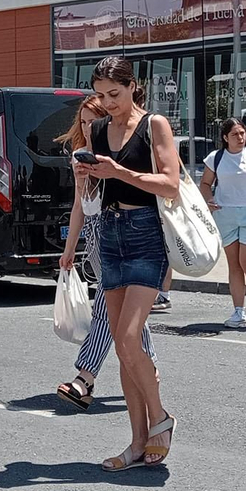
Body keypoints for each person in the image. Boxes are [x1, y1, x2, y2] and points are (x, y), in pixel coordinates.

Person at [76, 55, 179, 472]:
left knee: (129, 337)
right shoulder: (99, 129)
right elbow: (96, 191)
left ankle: (160, 418)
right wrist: (85, 176)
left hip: (145, 232)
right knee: (122, 348)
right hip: (110, 232)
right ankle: (138, 442)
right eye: (101, 95)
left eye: (114, 94)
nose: (107, 103)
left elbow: (170, 184)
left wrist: (118, 171)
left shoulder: (155, 124)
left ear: (133, 86)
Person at [56, 96, 157, 409]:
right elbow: (79, 207)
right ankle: (149, 368)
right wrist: (69, 249)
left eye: (93, 121)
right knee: (125, 311)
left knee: (105, 308)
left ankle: (85, 377)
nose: (88, 128)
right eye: (83, 122)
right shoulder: (79, 157)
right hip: (95, 241)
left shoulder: (115, 154)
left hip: (122, 234)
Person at [199, 118, 246, 328]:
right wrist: (209, 199)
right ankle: (238, 311)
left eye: (242, 133)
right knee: (234, 264)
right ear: (225, 137)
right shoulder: (215, 158)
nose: (240, 137)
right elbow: (205, 183)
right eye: (235, 134)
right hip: (225, 214)